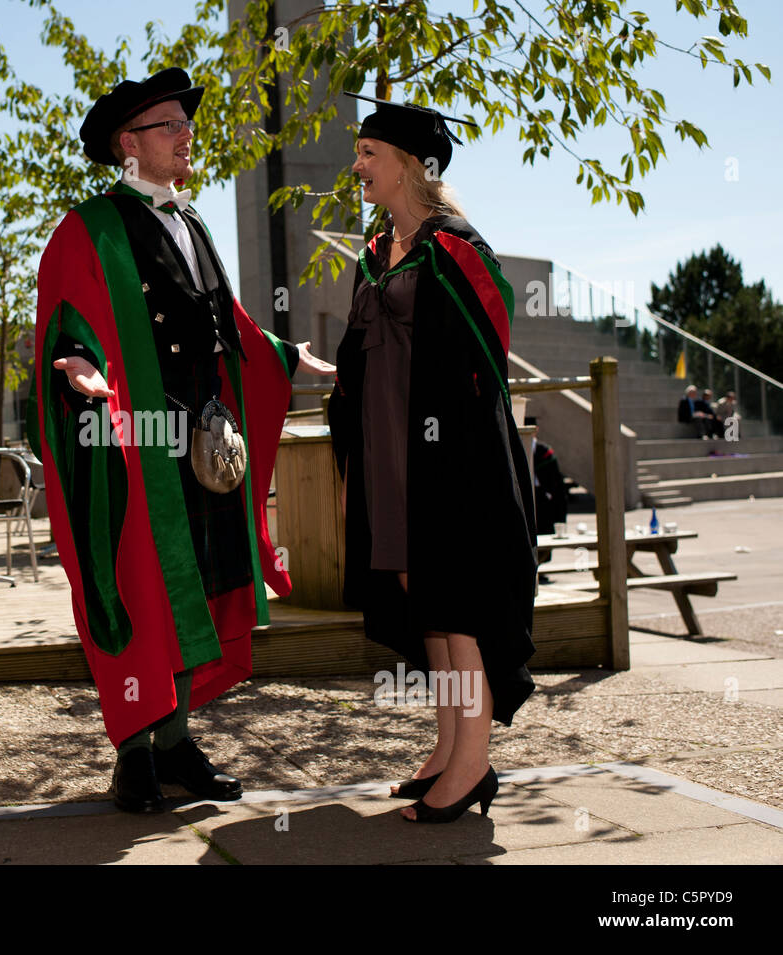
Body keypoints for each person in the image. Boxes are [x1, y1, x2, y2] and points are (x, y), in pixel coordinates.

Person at [27, 68, 336, 814]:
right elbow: (67, 319)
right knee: (137, 587)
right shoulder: (89, 228)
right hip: (135, 444)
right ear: (128, 144)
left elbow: (226, 321)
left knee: (194, 586)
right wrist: (77, 363)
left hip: (199, 445)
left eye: (184, 125)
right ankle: (134, 751)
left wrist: (286, 356)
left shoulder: (192, 225)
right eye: (170, 125)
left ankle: (176, 740)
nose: (186, 135)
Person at [327, 93, 537, 823]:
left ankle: (474, 760)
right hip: (388, 450)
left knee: (458, 603)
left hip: (447, 454)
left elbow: (486, 360)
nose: (356, 166)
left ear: (409, 165)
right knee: (428, 604)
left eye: (368, 155)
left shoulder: (456, 248)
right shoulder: (377, 251)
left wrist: (459, 455)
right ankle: (450, 743)